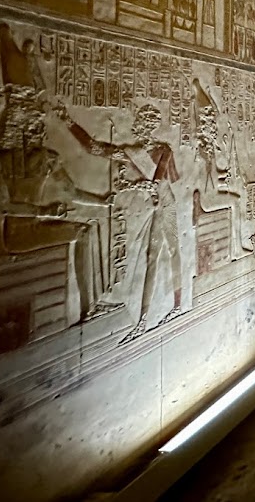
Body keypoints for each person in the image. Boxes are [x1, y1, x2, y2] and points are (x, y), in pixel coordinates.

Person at [62, 102, 184, 341]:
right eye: (142, 124)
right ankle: (144, 319)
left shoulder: (160, 150)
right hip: (157, 205)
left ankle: (174, 306)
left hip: (166, 205)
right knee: (153, 257)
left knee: (170, 252)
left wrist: (141, 184)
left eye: (146, 124)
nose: (143, 128)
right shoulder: (132, 152)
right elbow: (93, 148)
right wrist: (68, 122)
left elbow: (161, 179)